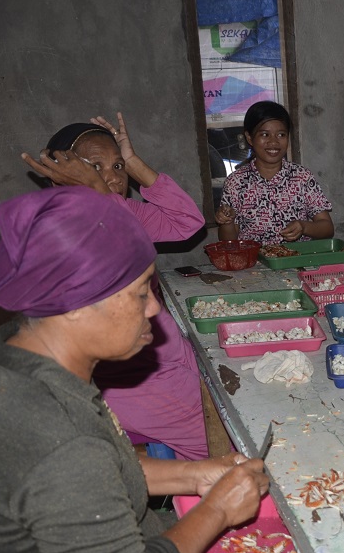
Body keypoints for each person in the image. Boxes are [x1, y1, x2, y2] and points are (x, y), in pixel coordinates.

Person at [0, 187, 321, 553]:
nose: (155, 310)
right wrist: (217, 510)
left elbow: (96, 473)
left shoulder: (13, 360)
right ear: (76, 304)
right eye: (140, 294)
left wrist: (196, 476)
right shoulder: (58, 438)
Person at [20, 113, 212, 460]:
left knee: (236, 394)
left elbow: (186, 223)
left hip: (168, 356)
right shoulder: (56, 229)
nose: (111, 178)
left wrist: (134, 163)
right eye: (95, 168)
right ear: (61, 177)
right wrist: (97, 192)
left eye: (117, 168)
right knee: (233, 434)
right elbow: (114, 257)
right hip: (132, 381)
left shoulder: (120, 209)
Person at [215, 100, 334, 245]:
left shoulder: (301, 177)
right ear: (250, 138)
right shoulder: (236, 182)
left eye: (281, 135)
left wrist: (304, 226)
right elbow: (228, 241)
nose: (273, 142)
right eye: (265, 135)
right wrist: (227, 220)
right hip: (254, 264)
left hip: (296, 260)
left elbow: (327, 228)